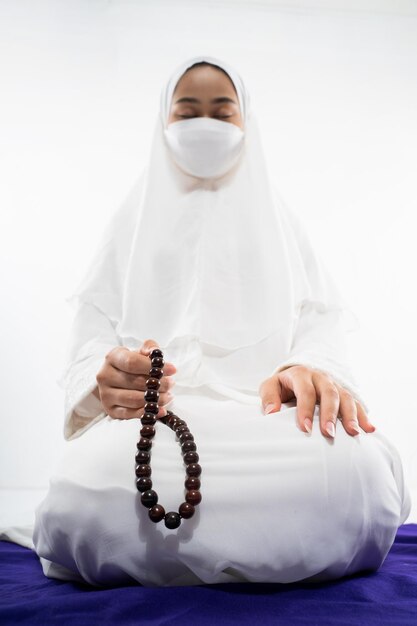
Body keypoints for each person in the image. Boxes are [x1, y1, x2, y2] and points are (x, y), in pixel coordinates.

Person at [32, 55, 411, 587]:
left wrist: (307, 368)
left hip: (269, 421)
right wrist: (108, 379)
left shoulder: (283, 224)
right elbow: (90, 344)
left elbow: (319, 329)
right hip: (155, 429)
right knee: (83, 490)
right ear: (163, 123)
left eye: (221, 112)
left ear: (245, 122)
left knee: (362, 476)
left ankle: (161, 556)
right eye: (187, 113)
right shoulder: (129, 223)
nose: (203, 125)